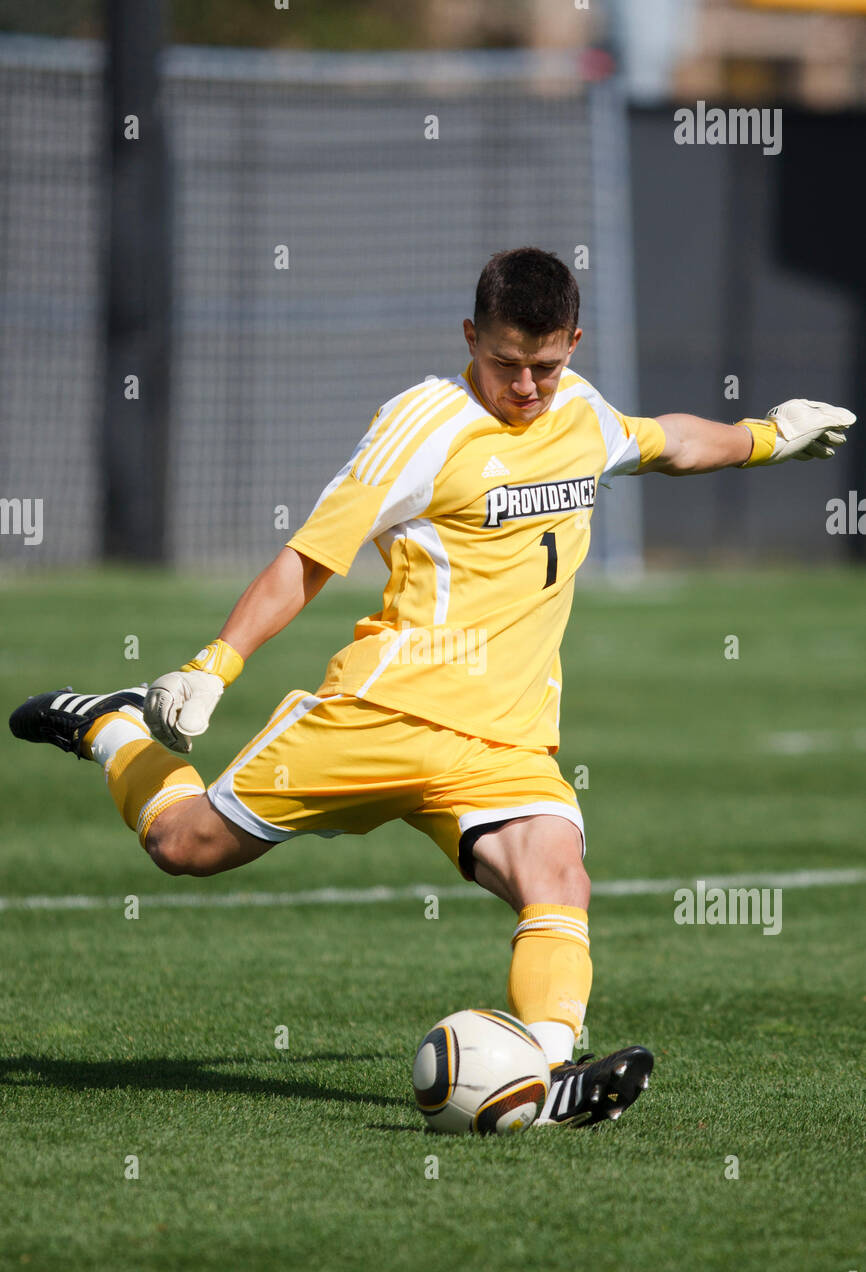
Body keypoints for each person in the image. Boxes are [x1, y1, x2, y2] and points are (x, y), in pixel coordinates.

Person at [9, 247, 855, 1128]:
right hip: (386, 715)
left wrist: (769, 437)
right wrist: (211, 665)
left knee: (560, 879)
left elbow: (669, 441)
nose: (525, 387)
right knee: (185, 848)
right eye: (504, 363)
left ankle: (551, 1073)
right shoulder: (424, 424)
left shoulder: (583, 412)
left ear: (573, 341)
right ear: (469, 337)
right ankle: (111, 728)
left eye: (545, 365)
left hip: (505, 741)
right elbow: (310, 558)